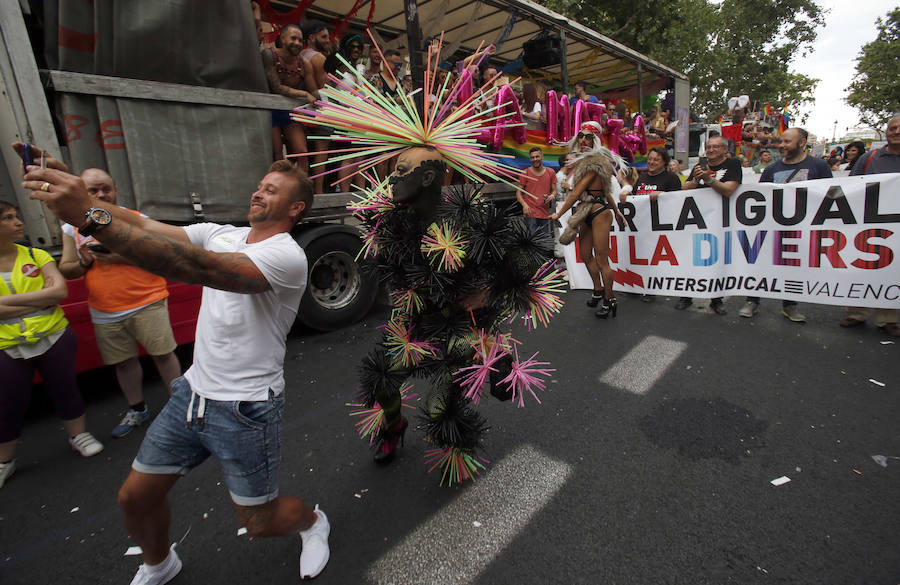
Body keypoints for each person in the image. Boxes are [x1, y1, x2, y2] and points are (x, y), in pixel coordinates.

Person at [19, 145, 331, 582]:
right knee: (134, 499)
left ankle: (314, 523)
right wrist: (80, 195)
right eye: (259, 187)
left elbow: (192, 266)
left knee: (261, 521)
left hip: (246, 408)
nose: (258, 194)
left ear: (295, 207)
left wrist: (89, 216)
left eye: (272, 191)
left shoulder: (286, 256)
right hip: (191, 395)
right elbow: (142, 224)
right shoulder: (221, 232)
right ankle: (160, 563)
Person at [293, 40, 564, 484]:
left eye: (402, 171)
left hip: (460, 329)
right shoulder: (391, 220)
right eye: (394, 169)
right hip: (413, 325)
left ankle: (461, 432)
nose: (391, 177)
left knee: (445, 410)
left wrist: (487, 296)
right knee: (381, 381)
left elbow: (523, 263)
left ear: (428, 177)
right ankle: (393, 426)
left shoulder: (469, 214)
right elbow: (386, 263)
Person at [57, 169, 181, 438]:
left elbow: (161, 256)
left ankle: (179, 407)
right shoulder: (71, 227)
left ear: (115, 189)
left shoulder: (135, 219)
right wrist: (84, 262)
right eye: (93, 190)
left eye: (106, 188)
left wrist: (121, 256)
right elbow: (66, 269)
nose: (101, 194)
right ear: (81, 191)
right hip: (104, 308)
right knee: (123, 362)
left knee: (163, 355)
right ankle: (137, 409)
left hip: (147, 300)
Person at [0, 201, 104, 489]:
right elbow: (49, 294)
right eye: (8, 218)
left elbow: (58, 292)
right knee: (9, 402)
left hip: (54, 335)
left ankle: (78, 436)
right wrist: (37, 300)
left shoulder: (36, 254)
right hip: (7, 345)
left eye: (16, 215)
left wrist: (5, 303)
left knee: (65, 388)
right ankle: (4, 461)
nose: (18, 222)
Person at [743, 127, 832, 322]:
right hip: (771, 225)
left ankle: (790, 305)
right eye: (781, 141)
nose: (781, 145)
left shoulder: (819, 166)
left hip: (801, 227)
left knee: (792, 266)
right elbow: (762, 196)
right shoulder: (772, 169)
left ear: (801, 143)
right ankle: (752, 300)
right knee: (761, 262)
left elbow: (829, 195)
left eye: (787, 142)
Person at [550, 121, 626, 318]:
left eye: (588, 137)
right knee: (585, 254)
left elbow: (576, 193)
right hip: (586, 211)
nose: (583, 140)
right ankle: (598, 289)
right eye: (581, 136)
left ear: (595, 140)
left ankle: (610, 300)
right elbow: (606, 191)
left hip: (599, 212)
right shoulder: (584, 161)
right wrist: (617, 211)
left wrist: (558, 214)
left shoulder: (595, 162)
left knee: (602, 260)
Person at [841, 115, 900, 337]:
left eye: (899, 128)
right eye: (892, 128)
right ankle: (856, 313)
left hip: (897, 224)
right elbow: (851, 186)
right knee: (863, 266)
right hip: (868, 222)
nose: (896, 132)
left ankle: (889, 318)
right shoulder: (870, 158)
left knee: (892, 268)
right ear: (886, 132)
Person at [677, 134, 741, 315]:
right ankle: (686, 295)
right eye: (709, 147)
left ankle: (716, 299)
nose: (711, 150)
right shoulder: (699, 167)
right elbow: (684, 189)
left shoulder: (732, 164)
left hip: (720, 221)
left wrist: (709, 180)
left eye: (716, 147)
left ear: (724, 149)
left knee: (716, 259)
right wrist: (697, 179)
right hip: (696, 220)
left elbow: (729, 190)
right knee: (690, 257)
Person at [261, 24, 320, 169]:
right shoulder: (269, 55)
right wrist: (304, 94)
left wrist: (329, 93)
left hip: (290, 113)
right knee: (276, 154)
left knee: (301, 152)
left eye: (300, 40)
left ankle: (302, 188)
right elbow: (277, 88)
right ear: (282, 38)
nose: (297, 43)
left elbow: (314, 92)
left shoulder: (304, 64)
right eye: (293, 38)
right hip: (269, 112)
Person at [300, 20, 332, 194]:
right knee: (321, 153)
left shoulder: (302, 55)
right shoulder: (319, 58)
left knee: (304, 154)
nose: (328, 40)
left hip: (301, 112)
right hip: (319, 111)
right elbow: (323, 89)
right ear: (312, 38)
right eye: (324, 37)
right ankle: (318, 193)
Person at [516, 147, 555, 239]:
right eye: (532, 157)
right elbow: (518, 193)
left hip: (544, 213)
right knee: (532, 241)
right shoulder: (525, 173)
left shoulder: (550, 172)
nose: (535, 159)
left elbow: (554, 190)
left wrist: (552, 195)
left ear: (542, 156)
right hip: (530, 213)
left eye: (537, 156)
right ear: (530, 159)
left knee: (544, 241)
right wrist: (524, 205)